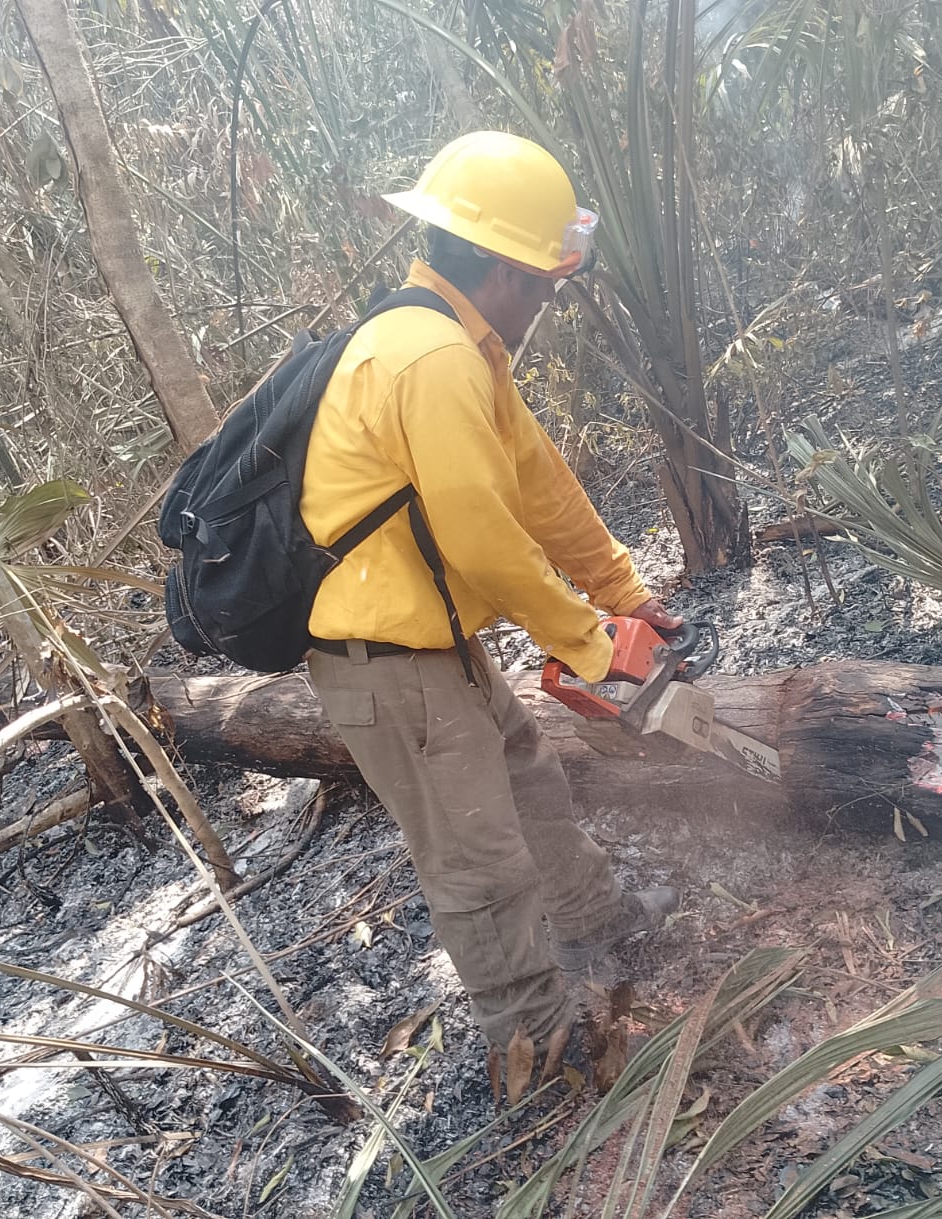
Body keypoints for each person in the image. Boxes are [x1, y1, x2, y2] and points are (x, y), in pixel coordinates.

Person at [298, 130, 680, 1075]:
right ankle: (540, 1049)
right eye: (545, 280)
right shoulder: (428, 360)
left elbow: (540, 487)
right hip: (387, 666)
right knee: (480, 867)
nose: (549, 298)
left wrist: (625, 593)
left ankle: (601, 925)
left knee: (531, 784)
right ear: (505, 265)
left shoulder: (466, 348)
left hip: (439, 648)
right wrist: (587, 642)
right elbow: (482, 538)